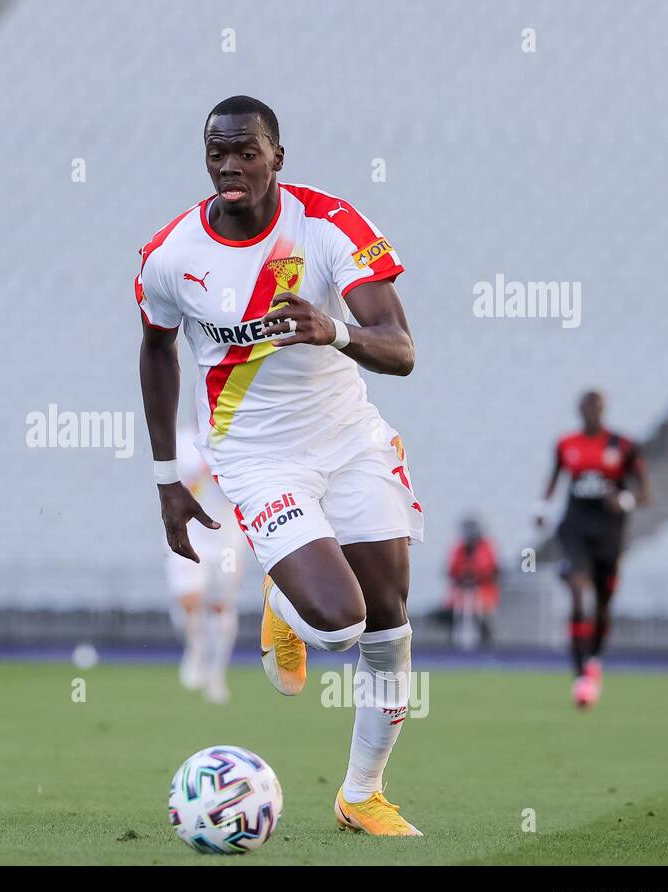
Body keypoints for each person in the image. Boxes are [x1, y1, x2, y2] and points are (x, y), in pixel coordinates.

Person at [138, 96, 423, 835]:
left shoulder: (328, 226)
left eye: (246, 152)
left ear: (277, 157)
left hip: (349, 438)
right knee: (338, 624)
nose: (230, 166)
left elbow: (401, 348)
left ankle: (361, 794)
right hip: (258, 455)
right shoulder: (172, 256)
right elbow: (156, 349)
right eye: (216, 152)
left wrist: (334, 330)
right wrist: (169, 478)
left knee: (389, 625)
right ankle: (283, 604)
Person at [536, 390, 650, 708]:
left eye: (596, 408)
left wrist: (624, 500)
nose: (591, 413)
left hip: (609, 534)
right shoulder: (566, 444)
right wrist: (542, 507)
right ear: (579, 410)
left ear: (603, 410)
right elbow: (554, 478)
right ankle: (580, 674)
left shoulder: (622, 446)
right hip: (574, 530)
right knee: (576, 592)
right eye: (586, 408)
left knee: (601, 605)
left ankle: (594, 659)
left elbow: (644, 492)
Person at [165, 427, 247, 704]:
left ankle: (216, 674)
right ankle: (196, 650)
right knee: (189, 600)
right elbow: (179, 477)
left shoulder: (237, 441)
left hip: (225, 540)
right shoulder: (183, 442)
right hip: (190, 534)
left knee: (220, 606)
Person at [445, 517, 500, 649]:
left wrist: (476, 576)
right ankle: (454, 645)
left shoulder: (486, 547)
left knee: (482, 615)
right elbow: (452, 570)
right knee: (456, 614)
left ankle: (486, 643)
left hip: (483, 591)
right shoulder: (460, 548)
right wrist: (463, 577)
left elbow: (492, 570)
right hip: (462, 592)